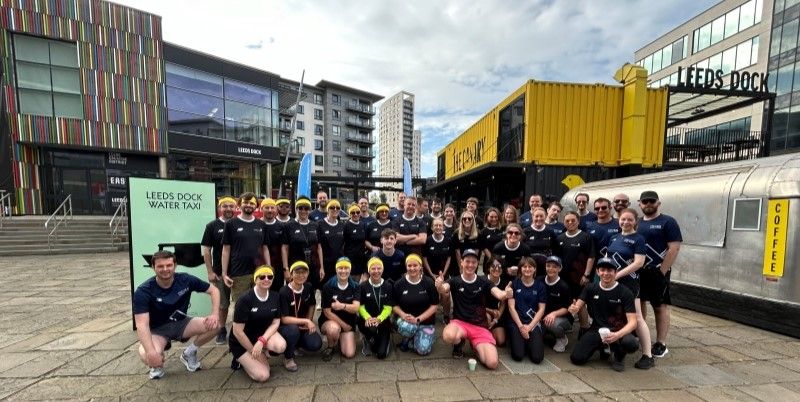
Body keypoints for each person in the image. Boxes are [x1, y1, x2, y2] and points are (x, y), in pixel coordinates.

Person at [133, 250, 220, 379]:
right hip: (157, 330)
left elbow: (214, 290)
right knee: (147, 355)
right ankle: (157, 365)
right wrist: (151, 352)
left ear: (175, 265)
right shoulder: (143, 291)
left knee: (215, 325)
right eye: (160, 266)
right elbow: (141, 325)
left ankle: (189, 353)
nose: (165, 269)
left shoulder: (185, 279)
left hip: (181, 324)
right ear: (153, 267)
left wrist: (215, 313)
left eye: (169, 265)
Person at [435, 249, 511, 369]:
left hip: (479, 326)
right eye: (467, 261)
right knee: (449, 335)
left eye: (474, 262)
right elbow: (444, 289)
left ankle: (476, 347)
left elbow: (499, 294)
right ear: (461, 262)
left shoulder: (484, 281)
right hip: (460, 323)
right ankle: (459, 343)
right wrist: (439, 285)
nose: (470, 265)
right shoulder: (455, 280)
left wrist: (506, 294)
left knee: (492, 363)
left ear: (477, 264)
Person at [569, 258, 639, 372]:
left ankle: (619, 355)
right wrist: (573, 308)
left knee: (631, 343)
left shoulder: (625, 292)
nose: (605, 273)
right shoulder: (591, 288)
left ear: (616, 272)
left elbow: (633, 322)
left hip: (618, 330)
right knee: (577, 358)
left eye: (609, 270)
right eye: (602, 270)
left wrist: (617, 335)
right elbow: (577, 305)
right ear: (597, 272)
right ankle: (602, 347)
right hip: (597, 329)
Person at [605, 208, 654, 369]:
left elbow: (638, 263)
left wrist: (617, 275)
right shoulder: (614, 237)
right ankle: (614, 345)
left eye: (629, 220)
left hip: (629, 283)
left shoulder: (638, 239)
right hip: (612, 282)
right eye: (623, 219)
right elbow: (608, 258)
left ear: (635, 221)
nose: (625, 222)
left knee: (637, 317)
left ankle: (648, 355)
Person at [636, 190, 682, 359]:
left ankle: (661, 343)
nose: (648, 204)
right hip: (639, 271)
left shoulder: (668, 222)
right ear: (639, 203)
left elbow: (674, 248)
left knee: (659, 306)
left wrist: (661, 272)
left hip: (657, 272)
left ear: (658, 203)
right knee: (639, 304)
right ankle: (642, 334)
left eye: (651, 201)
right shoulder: (638, 223)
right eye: (645, 201)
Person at [229, 266, 287, 381]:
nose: (266, 279)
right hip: (241, 341)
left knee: (281, 346)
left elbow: (276, 322)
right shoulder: (245, 299)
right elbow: (237, 331)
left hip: (260, 336)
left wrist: (262, 341)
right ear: (255, 279)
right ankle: (239, 359)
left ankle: (260, 354)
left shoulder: (275, 296)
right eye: (262, 277)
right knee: (263, 375)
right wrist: (252, 350)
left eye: (269, 276)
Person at [222, 192, 270, 309]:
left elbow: (265, 248)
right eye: (246, 202)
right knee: (240, 307)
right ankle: (238, 328)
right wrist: (224, 273)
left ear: (256, 206)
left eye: (252, 203)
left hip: (259, 273)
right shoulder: (230, 224)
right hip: (239, 273)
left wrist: (269, 267)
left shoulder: (261, 224)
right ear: (240, 204)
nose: (249, 205)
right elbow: (226, 250)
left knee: (258, 305)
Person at [201, 196, 236, 345]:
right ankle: (221, 329)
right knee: (223, 304)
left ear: (235, 208)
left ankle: (238, 329)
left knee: (241, 302)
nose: (228, 209)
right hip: (220, 272)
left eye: (231, 206)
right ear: (219, 208)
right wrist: (210, 271)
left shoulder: (239, 223)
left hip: (240, 271)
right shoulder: (212, 226)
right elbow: (207, 250)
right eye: (225, 206)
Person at [278, 261, 323, 372]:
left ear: (308, 273)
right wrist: (306, 321)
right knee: (293, 330)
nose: (301, 275)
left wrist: (309, 320)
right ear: (291, 274)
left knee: (316, 344)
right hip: (287, 327)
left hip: (302, 326)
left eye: (304, 272)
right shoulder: (284, 291)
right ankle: (288, 357)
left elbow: (312, 304)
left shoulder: (308, 287)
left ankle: (296, 344)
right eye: (297, 272)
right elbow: (284, 318)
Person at [555, 211, 595, 332]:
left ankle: (584, 328)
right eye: (567, 220)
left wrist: (587, 274)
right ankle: (568, 325)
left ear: (578, 221)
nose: (570, 222)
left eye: (573, 220)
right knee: (566, 302)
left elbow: (591, 256)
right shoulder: (560, 238)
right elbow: (557, 259)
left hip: (580, 278)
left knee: (580, 304)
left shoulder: (586, 237)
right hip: (564, 277)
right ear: (564, 222)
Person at [393, 254, 439, 355]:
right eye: (409, 266)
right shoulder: (399, 284)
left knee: (423, 350)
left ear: (420, 267)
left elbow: (434, 306)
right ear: (406, 267)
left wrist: (418, 319)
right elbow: (394, 305)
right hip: (407, 321)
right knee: (407, 328)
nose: (412, 268)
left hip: (425, 322)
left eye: (415, 265)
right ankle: (409, 336)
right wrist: (403, 315)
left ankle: (423, 337)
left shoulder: (429, 282)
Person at [319, 258, 361, 361]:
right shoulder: (328, 286)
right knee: (333, 329)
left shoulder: (355, 285)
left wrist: (342, 306)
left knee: (349, 354)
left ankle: (342, 338)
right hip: (330, 321)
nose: (343, 271)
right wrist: (344, 325)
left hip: (349, 322)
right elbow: (327, 312)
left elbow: (356, 308)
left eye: (346, 268)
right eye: (340, 268)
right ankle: (331, 346)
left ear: (350, 270)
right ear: (336, 269)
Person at [507, 257, 547, 363]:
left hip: (532, 323)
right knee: (518, 355)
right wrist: (521, 327)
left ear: (535, 269)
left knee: (537, 358)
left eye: (530, 267)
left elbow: (541, 309)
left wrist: (529, 327)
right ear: (520, 269)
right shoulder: (514, 284)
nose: (527, 269)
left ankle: (529, 342)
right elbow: (511, 307)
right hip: (517, 322)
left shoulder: (540, 286)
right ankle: (519, 340)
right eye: (524, 267)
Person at [281, 197, 324, 291]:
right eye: (300, 208)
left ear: (310, 210)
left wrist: (321, 267)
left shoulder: (315, 225)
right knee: (295, 293)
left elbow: (319, 247)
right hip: (296, 266)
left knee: (311, 294)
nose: (303, 211)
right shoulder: (289, 225)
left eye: (306, 208)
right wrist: (286, 269)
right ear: (296, 209)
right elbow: (285, 248)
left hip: (313, 267)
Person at [358, 257, 394, 358]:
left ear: (382, 270)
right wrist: (368, 318)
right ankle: (367, 339)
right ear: (369, 270)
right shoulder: (363, 286)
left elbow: (388, 307)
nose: (376, 271)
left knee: (381, 354)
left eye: (379, 268)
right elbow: (360, 306)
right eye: (373, 268)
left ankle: (381, 339)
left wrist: (379, 319)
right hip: (366, 322)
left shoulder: (388, 286)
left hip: (382, 321)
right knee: (371, 328)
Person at [541, 256, 573, 352]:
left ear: (560, 268)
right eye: (548, 266)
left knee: (552, 324)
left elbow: (567, 308)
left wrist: (553, 314)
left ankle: (561, 338)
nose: (551, 269)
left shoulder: (564, 286)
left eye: (554, 267)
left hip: (562, 317)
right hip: (543, 315)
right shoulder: (540, 281)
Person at [523, 207, 558, 277]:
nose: (539, 219)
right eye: (536, 216)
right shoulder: (525, 232)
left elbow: (555, 250)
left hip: (545, 268)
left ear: (545, 217)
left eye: (541, 216)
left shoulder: (550, 232)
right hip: (529, 268)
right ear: (532, 217)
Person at [317, 199, 346, 282]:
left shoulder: (341, 225)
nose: (335, 209)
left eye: (337, 207)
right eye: (332, 207)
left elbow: (344, 245)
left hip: (338, 264)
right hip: (326, 264)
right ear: (327, 209)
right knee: (325, 289)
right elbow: (319, 247)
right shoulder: (320, 224)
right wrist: (321, 267)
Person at [261, 198, 286, 292]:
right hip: (259, 266)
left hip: (277, 268)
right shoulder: (257, 224)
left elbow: (284, 248)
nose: (270, 210)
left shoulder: (281, 226)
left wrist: (285, 268)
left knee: (276, 293)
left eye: (272, 207)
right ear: (261, 209)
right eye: (267, 207)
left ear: (276, 209)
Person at [485, 256, 508, 346]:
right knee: (487, 318)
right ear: (488, 268)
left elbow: (503, 303)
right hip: (483, 310)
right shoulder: (482, 280)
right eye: (493, 266)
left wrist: (496, 319)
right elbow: (477, 303)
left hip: (496, 313)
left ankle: (491, 328)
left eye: (499, 266)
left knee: (501, 341)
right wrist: (490, 311)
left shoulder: (504, 283)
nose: (497, 269)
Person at [344, 204, 369, 282]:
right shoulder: (346, 225)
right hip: (350, 258)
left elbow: (365, 240)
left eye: (357, 212)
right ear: (349, 214)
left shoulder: (362, 225)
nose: (355, 214)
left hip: (360, 258)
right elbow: (343, 242)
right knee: (350, 281)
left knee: (357, 281)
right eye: (353, 212)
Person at [481, 207, 505, 273]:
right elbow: (484, 247)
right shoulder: (483, 231)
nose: (494, 219)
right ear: (487, 217)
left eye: (496, 217)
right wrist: (493, 260)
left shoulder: (503, 230)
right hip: (489, 261)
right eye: (491, 217)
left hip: (502, 261)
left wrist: (499, 260)